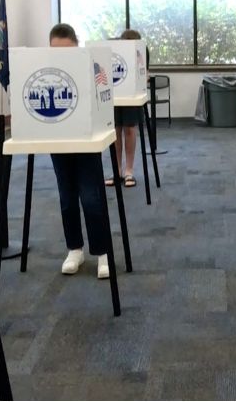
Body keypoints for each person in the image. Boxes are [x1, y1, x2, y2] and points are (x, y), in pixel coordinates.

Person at [48, 23, 111, 280]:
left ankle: (102, 251)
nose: (62, 56)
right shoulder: (46, 71)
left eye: (67, 50)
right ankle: (75, 248)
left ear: (77, 45)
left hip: (86, 142)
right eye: (56, 50)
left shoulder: (90, 67)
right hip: (57, 141)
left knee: (91, 197)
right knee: (67, 197)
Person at [108, 29, 142, 189]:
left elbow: (143, 71)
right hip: (115, 96)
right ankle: (117, 170)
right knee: (115, 131)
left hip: (131, 96)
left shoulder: (141, 51)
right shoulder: (113, 53)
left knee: (129, 130)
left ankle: (129, 170)